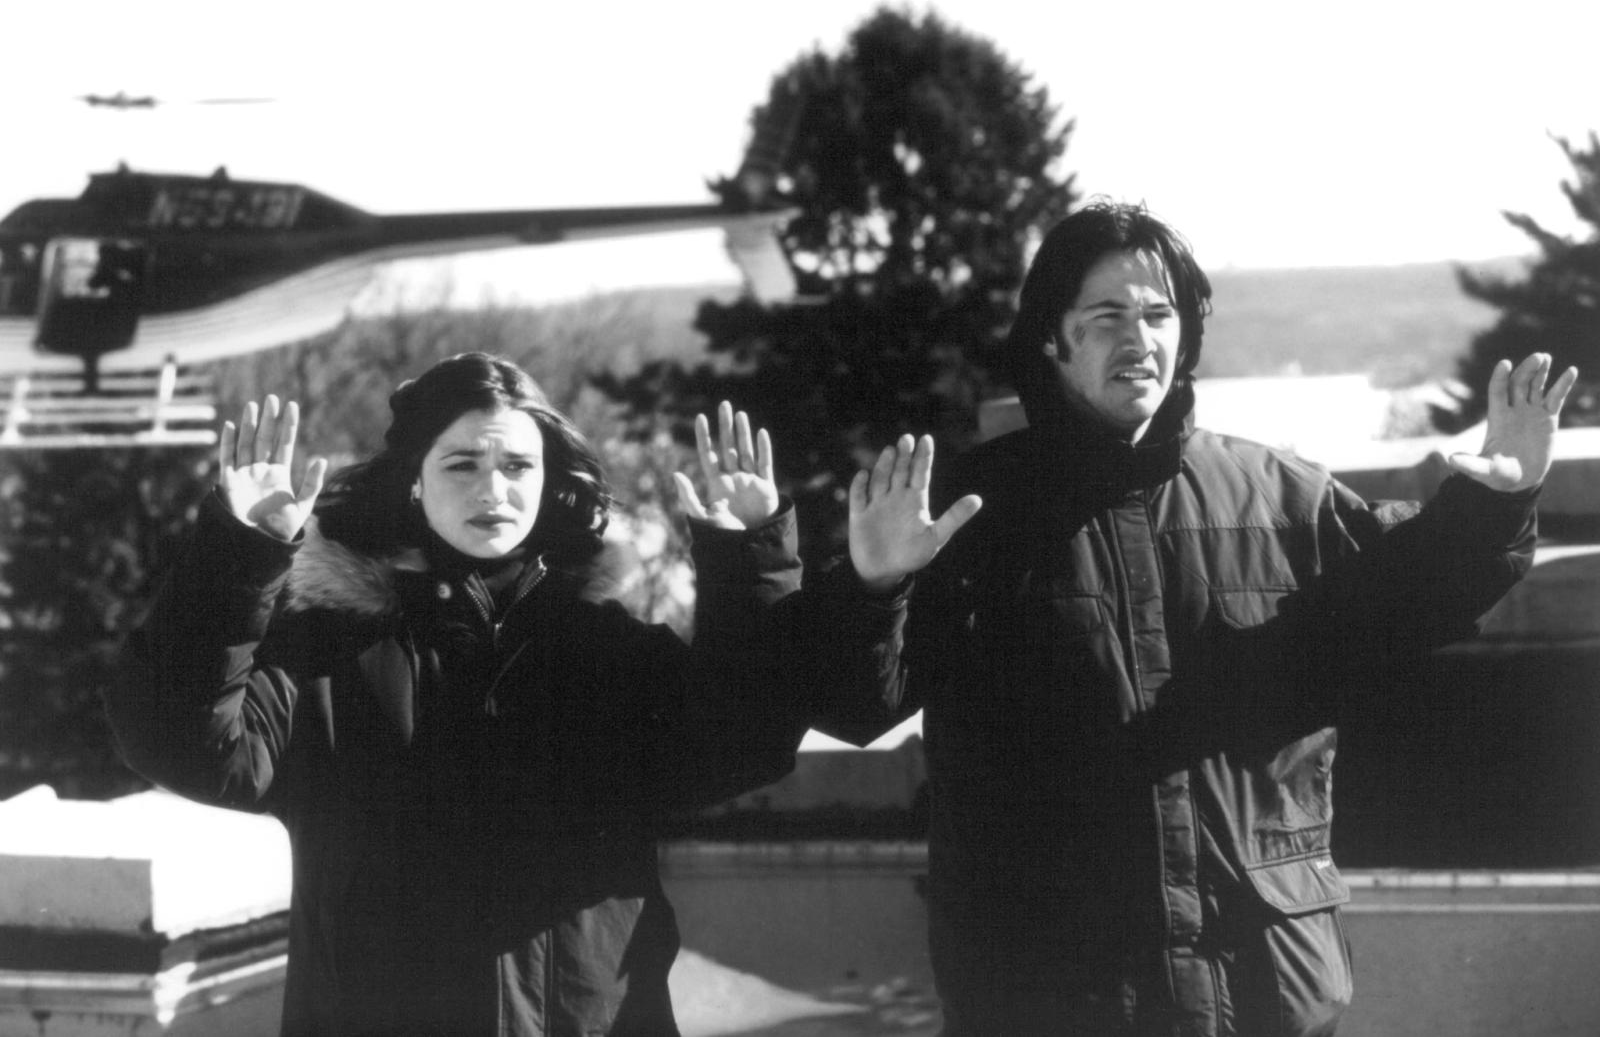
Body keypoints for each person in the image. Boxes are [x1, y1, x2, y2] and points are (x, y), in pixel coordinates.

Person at [822, 200, 1580, 1036]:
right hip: (1055, 997)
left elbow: (1410, 593)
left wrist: (1496, 504)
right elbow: (858, 703)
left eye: (1158, 315)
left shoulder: (1279, 496)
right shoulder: (969, 516)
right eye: (1106, 317)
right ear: (1051, 341)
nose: (1138, 340)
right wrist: (875, 586)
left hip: (1262, 986)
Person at [104, 352, 969, 1037]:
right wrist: (240, 556)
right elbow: (187, 746)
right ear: (413, 480)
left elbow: (740, 743)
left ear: (549, 480)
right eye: (463, 464)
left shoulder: (602, 647)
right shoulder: (329, 654)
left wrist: (757, 560)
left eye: (517, 464)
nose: (494, 490)